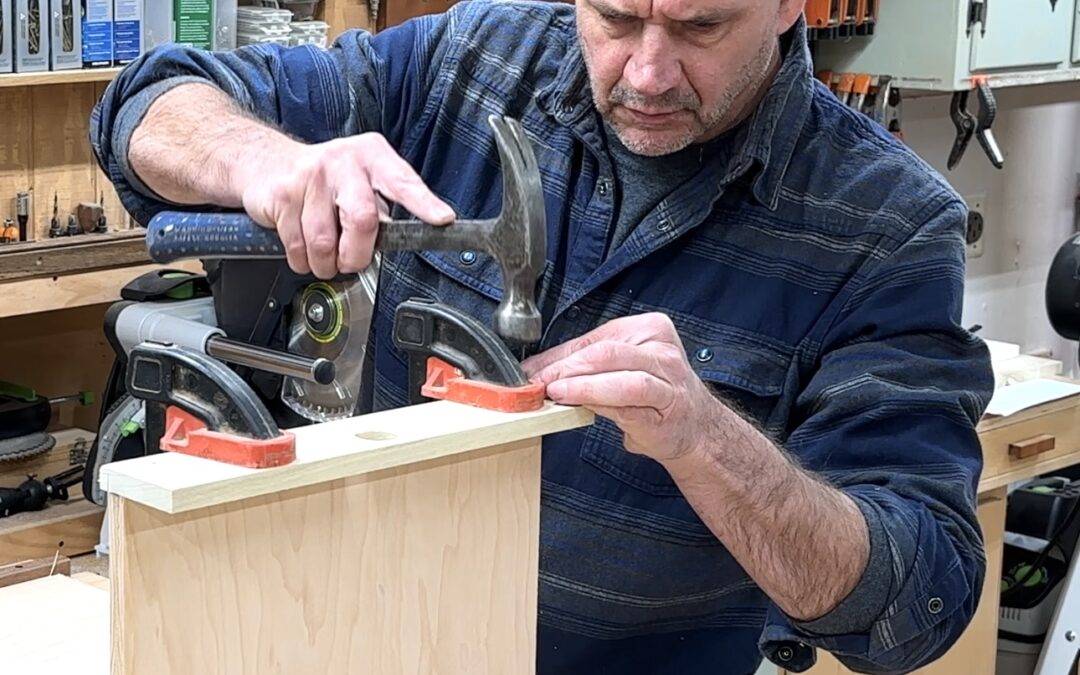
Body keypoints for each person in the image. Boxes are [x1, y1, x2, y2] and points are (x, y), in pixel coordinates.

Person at [90, 0, 994, 672]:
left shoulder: (887, 226)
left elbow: (917, 601)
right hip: (366, 644)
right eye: (615, 18)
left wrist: (710, 442)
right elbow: (142, 106)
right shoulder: (468, 64)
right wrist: (267, 162)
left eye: (701, 27)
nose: (645, 72)